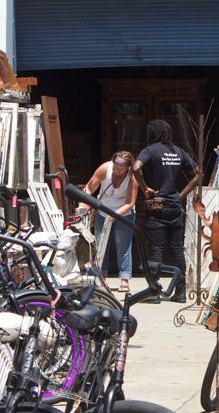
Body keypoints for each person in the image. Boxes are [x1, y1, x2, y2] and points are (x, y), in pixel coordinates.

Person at [134, 119, 201, 303]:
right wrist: (181, 195)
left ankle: (154, 292)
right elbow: (198, 173)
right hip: (174, 207)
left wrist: (145, 188)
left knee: (156, 249)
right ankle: (180, 291)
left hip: (156, 206)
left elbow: (135, 167)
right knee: (176, 249)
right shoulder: (178, 152)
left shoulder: (149, 151)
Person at [84, 152, 139, 293]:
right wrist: (84, 204)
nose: (117, 171)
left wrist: (115, 215)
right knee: (100, 246)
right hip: (103, 210)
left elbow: (130, 202)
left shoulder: (132, 177)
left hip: (124, 213)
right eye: (116, 167)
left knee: (123, 246)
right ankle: (100, 278)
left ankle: (124, 279)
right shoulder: (105, 169)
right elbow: (89, 188)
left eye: (121, 169)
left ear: (128, 168)